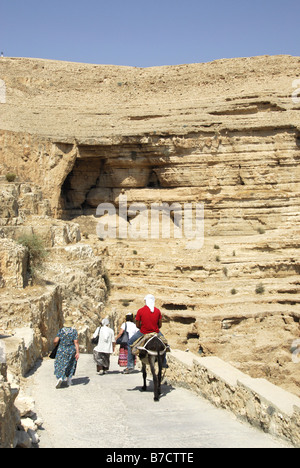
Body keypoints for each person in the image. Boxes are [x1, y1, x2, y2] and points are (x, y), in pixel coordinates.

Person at [123, 294, 167, 374]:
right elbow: (160, 325)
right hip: (155, 332)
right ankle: (164, 363)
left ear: (146, 301)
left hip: (143, 332)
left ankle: (130, 365)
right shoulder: (157, 311)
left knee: (129, 343)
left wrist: (143, 328)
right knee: (165, 344)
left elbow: (137, 325)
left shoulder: (140, 311)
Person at [54, 317, 79, 389]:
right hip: (71, 350)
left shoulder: (61, 330)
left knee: (59, 363)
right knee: (70, 364)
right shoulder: (74, 331)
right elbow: (76, 342)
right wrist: (77, 352)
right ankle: (69, 380)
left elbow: (55, 341)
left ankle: (60, 377)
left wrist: (56, 345)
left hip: (61, 349)